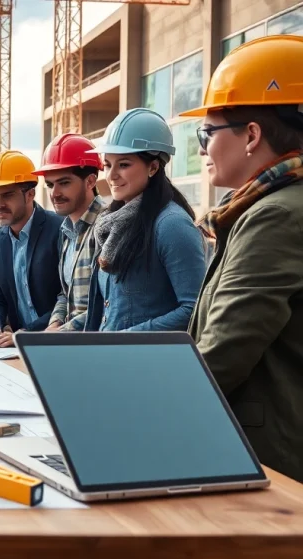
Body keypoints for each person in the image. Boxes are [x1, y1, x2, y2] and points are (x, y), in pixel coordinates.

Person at [180, 35, 303, 483]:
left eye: (206, 133)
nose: (201, 149)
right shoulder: (267, 208)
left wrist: (133, 415)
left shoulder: (275, 215)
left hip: (268, 459)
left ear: (251, 134)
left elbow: (224, 351)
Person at [82, 108, 207, 332]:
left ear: (153, 167)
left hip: (146, 363)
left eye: (124, 164)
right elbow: (107, 311)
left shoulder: (172, 225)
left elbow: (195, 309)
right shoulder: (110, 223)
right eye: (108, 164)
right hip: (110, 359)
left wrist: (126, 338)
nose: (111, 176)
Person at [0, 151, 63, 348]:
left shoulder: (60, 229)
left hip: (56, 341)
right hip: (17, 348)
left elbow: (69, 299)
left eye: (7, 195)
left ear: (30, 194)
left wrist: (27, 334)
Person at [32, 133, 107, 332]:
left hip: (98, 348)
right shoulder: (66, 231)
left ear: (91, 181)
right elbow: (66, 295)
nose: (54, 193)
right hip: (71, 344)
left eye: (64, 183)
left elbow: (108, 304)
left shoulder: (108, 227)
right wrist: (54, 324)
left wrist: (60, 334)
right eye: (50, 184)